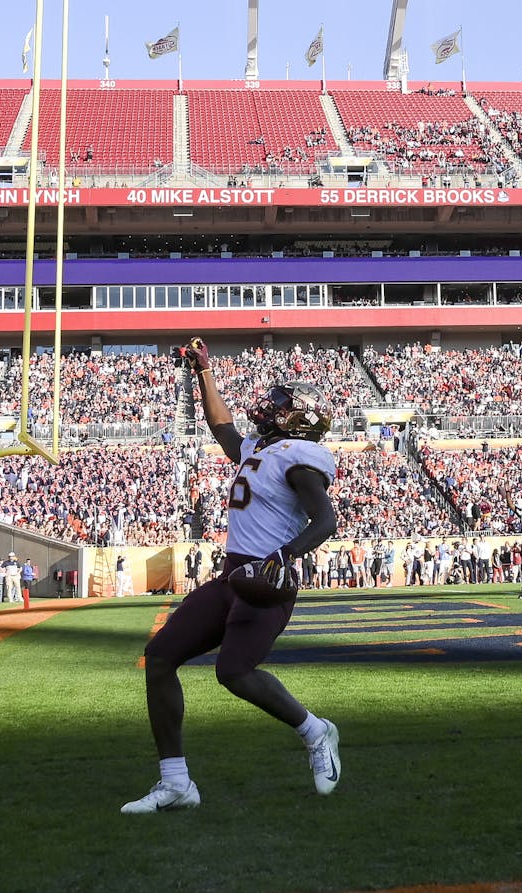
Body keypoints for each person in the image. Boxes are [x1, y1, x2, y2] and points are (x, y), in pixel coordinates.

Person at [122, 338, 341, 815]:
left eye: (280, 405)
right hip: (231, 578)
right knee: (160, 657)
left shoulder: (299, 456)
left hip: (265, 583)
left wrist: (286, 555)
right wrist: (204, 370)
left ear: (297, 420)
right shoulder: (261, 448)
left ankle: (315, 731)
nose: (269, 406)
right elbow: (220, 425)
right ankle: (176, 782)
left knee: (234, 672)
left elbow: (325, 520)